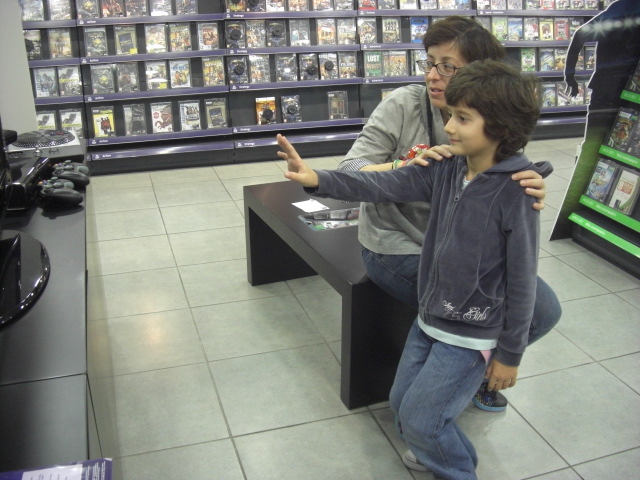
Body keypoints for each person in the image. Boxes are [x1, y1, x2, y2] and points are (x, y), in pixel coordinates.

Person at [279, 58, 544, 480]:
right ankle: (433, 447)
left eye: (462, 118)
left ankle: (453, 466)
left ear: (500, 126)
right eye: (450, 115)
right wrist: (317, 179)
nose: (449, 126)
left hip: (470, 336)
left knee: (423, 421)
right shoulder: (446, 168)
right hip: (428, 320)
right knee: (402, 405)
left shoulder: (516, 193)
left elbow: (523, 279)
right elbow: (381, 184)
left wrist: (509, 355)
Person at [336, 16, 561, 411]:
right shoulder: (404, 104)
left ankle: (466, 379)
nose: (433, 76)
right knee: (473, 314)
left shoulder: (493, 113)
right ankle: (439, 393)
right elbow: (348, 171)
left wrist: (530, 182)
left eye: (447, 66)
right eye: (429, 63)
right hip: (398, 245)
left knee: (543, 310)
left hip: (468, 251)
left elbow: (507, 174)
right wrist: (406, 167)